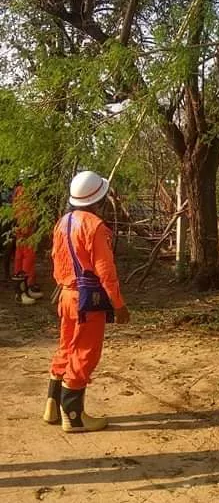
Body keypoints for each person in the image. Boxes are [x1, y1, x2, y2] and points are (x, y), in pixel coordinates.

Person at [43, 170, 130, 432]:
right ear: (98, 199)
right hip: (87, 300)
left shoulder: (62, 223)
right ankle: (73, 416)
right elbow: (106, 271)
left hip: (66, 295)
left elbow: (56, 260)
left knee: (67, 348)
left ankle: (52, 405)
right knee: (85, 352)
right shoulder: (95, 227)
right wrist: (118, 304)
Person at [12, 180, 43, 303]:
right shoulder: (23, 191)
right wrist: (26, 227)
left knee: (22, 258)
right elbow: (23, 211)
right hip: (25, 230)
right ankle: (22, 291)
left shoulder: (21, 191)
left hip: (24, 229)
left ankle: (25, 289)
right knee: (26, 258)